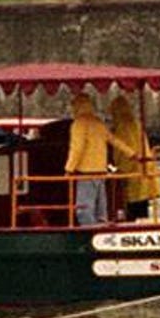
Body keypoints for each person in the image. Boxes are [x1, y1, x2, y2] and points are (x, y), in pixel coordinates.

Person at [106, 95, 160, 220]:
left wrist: (119, 167)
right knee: (142, 205)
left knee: (131, 204)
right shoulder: (136, 124)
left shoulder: (121, 127)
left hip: (131, 172)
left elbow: (122, 151)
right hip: (146, 170)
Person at [64, 91, 114, 226]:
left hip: (86, 173)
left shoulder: (79, 124)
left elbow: (77, 148)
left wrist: (69, 169)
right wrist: (133, 154)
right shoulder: (98, 123)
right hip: (101, 172)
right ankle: (103, 230)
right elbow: (113, 140)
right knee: (101, 212)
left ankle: (90, 232)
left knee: (83, 210)